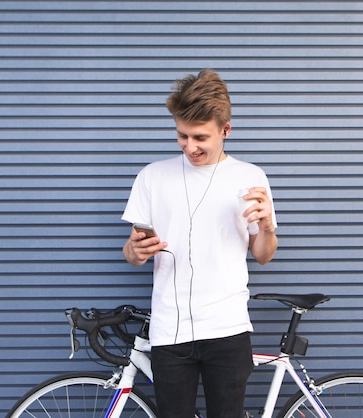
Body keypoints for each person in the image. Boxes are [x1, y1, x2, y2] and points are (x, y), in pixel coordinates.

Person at [121, 68, 278, 417]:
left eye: (200, 137)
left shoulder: (250, 177)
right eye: (182, 135)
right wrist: (134, 251)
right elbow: (132, 254)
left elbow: (263, 256)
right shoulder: (152, 176)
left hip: (228, 328)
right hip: (169, 332)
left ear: (226, 130)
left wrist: (266, 227)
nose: (190, 146)